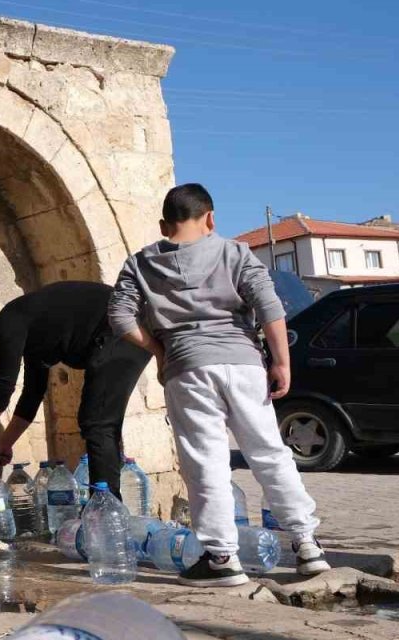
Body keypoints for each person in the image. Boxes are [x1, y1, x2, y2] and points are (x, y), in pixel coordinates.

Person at [108, 183, 330, 587]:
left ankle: (222, 559)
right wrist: (281, 362)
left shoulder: (139, 264)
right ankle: (307, 545)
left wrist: (159, 350)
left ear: (163, 225)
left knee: (206, 462)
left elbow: (120, 316)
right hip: (244, 363)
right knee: (269, 454)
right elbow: (269, 305)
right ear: (210, 218)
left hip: (187, 368)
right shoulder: (234, 252)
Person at [0, 282, 152, 499]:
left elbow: (3, 383)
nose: (6, 353)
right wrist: (5, 443)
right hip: (131, 330)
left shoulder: (7, 320)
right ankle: (107, 504)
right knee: (101, 421)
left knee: (98, 422)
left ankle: (105, 504)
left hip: (120, 328)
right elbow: (31, 396)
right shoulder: (35, 334)